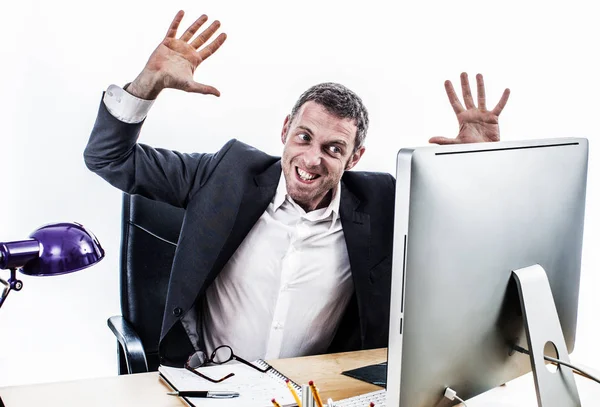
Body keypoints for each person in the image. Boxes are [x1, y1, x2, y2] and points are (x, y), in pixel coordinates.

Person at [84, 10, 510, 367]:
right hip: (207, 384)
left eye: (333, 148)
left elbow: (466, 248)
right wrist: (147, 85)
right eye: (304, 137)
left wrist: (474, 167)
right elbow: (109, 159)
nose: (311, 159)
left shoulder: (382, 204)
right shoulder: (226, 173)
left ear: (354, 158)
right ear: (286, 130)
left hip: (314, 391)